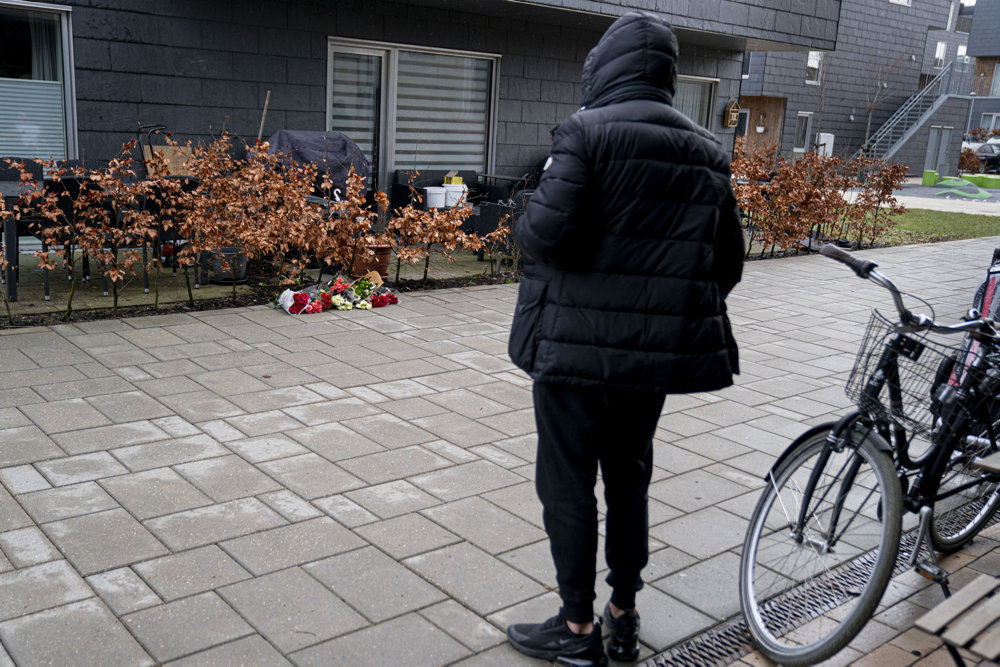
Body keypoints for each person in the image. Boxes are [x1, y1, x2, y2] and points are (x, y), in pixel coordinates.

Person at [505, 11, 745, 666]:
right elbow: (726, 267)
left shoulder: (584, 133)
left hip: (571, 355)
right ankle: (624, 612)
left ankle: (577, 629)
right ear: (665, 74)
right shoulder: (707, 152)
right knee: (630, 479)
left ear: (603, 67)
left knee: (567, 485)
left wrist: (530, 203)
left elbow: (542, 236)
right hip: (646, 366)